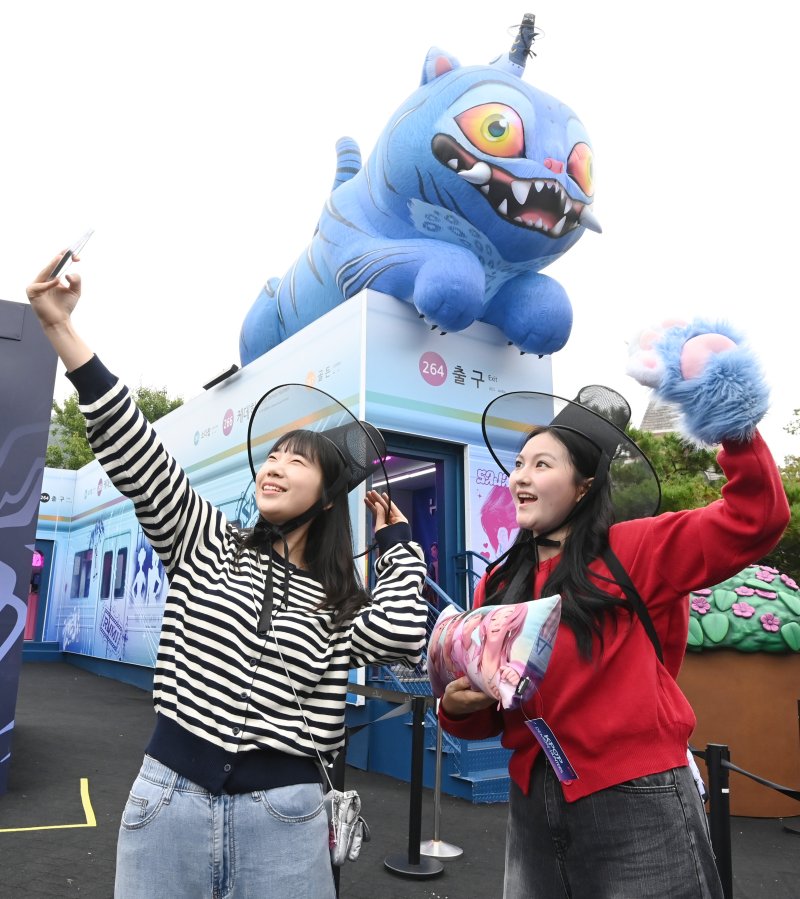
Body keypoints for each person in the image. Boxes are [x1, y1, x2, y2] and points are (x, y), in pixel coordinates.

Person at [27, 252, 428, 899]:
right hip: (168, 803)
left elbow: (405, 629)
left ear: (328, 497)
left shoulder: (336, 599)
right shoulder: (204, 538)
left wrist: (398, 541)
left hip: (287, 815)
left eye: (296, 461)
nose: (274, 466)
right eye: (272, 456)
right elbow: (138, 455)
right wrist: (61, 330)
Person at [438, 324, 790, 899]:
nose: (520, 477)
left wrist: (731, 423)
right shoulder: (501, 580)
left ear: (583, 486)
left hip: (637, 797)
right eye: (520, 463)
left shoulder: (635, 549)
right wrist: (457, 707)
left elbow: (756, 518)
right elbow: (486, 709)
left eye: (542, 465)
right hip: (530, 799)